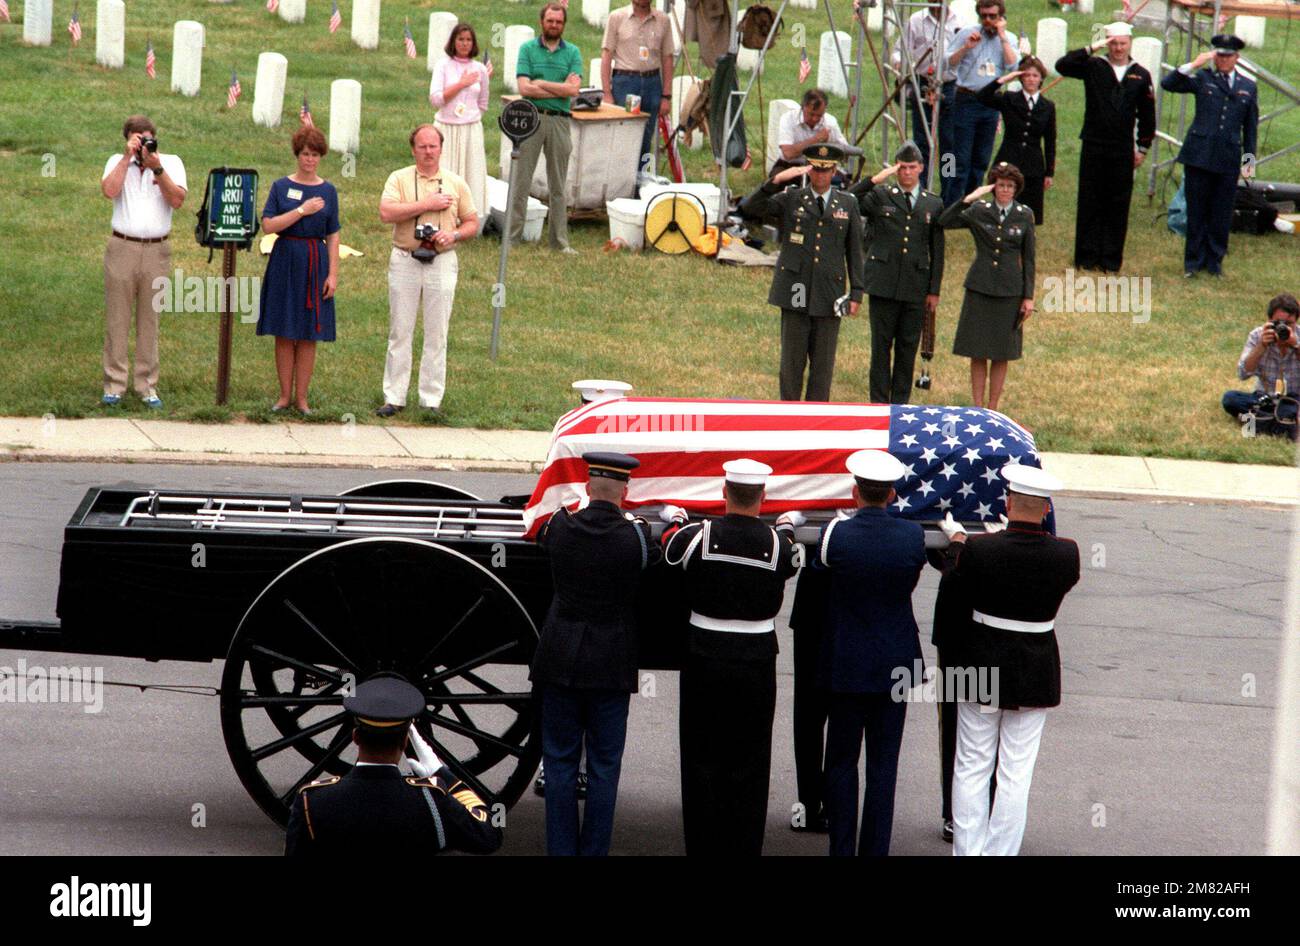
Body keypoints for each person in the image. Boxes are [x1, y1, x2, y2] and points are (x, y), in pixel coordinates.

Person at [935, 464, 1081, 856]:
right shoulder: (1067, 554)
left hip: (978, 664)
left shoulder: (981, 550)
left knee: (971, 766)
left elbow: (960, 579)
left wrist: (961, 541)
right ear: (1047, 509)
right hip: (1034, 668)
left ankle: (968, 851)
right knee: (1016, 773)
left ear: (1008, 501)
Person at [660, 459, 802, 856]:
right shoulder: (779, 545)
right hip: (756, 662)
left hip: (704, 657)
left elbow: (670, 546)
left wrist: (675, 516)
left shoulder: (698, 536)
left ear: (724, 493)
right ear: (764, 497)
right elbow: (791, 555)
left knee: (701, 757)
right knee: (750, 762)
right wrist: (788, 525)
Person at [531, 452, 660, 856]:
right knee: (604, 768)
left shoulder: (561, 527)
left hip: (559, 661)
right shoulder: (635, 538)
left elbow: (540, 533)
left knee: (559, 764)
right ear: (626, 491)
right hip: (610, 668)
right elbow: (653, 556)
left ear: (587, 489)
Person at [816, 450, 926, 856]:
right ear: (893, 494)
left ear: (853, 491)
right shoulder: (913, 537)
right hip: (894, 666)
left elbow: (821, 565)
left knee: (841, 762)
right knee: (884, 766)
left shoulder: (836, 535)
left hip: (847, 663)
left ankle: (841, 850)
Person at [285, 674, 503, 856]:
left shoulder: (311, 802)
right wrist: (444, 776)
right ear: (405, 741)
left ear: (355, 737)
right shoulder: (432, 800)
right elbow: (490, 834)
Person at [740, 143, 865, 402]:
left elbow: (854, 250)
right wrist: (775, 181)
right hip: (795, 290)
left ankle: (816, 426)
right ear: (808, 170)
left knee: (822, 369)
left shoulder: (847, 203)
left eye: (826, 170)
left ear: (834, 171)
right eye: (816, 170)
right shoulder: (792, 198)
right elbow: (750, 209)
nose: (820, 176)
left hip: (829, 292)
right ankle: (788, 421)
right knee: (791, 367)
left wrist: (857, 292)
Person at [376, 125, 479, 420]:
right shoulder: (399, 178)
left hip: (442, 260)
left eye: (433, 146)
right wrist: (427, 204)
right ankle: (394, 396)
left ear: (441, 149)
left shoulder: (456, 183)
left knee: (437, 331)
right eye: (422, 146)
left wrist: (454, 236)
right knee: (400, 329)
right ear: (413, 149)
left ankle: (431, 399)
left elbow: (472, 222)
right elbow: (386, 213)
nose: (428, 152)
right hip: (406, 257)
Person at [99, 115, 187, 409]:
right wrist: (127, 159)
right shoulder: (116, 161)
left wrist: (156, 168)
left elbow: (177, 200)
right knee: (117, 318)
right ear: (128, 139)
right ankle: (114, 384)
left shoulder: (171, 163)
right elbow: (109, 191)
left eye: (147, 138)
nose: (143, 144)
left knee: (151, 319)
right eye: (138, 139)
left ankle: (147, 385)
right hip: (122, 245)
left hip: (156, 249)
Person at [849, 140, 946, 404]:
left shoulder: (932, 204)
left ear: (921, 169)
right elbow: (849, 200)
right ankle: (879, 404)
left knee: (907, 348)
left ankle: (899, 405)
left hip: (915, 286)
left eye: (911, 167)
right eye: (901, 167)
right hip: (883, 282)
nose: (906, 173)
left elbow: (937, 251)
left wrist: (934, 290)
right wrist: (874, 180)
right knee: (881, 348)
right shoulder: (881, 196)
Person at [1054, 22, 1155, 273]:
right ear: (1107, 43)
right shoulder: (1094, 66)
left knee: (1117, 203)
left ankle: (1110, 259)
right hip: (1094, 143)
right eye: (1113, 43)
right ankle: (1086, 257)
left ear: (1130, 43)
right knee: (1090, 199)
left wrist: (1142, 148)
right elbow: (1062, 65)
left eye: (1122, 43)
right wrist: (1091, 47)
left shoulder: (1140, 74)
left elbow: (1148, 115)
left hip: (1122, 147)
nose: (1118, 48)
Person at [256, 126, 339, 416]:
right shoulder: (281, 187)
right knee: (283, 330)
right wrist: (302, 211)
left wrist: (333, 274)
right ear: (297, 154)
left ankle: (302, 398)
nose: (310, 160)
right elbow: (268, 225)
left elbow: (333, 234)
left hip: (315, 262)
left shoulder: (328, 190)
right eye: (305, 154)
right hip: (285, 258)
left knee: (308, 332)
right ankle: (283, 396)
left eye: (315, 155)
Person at [1161, 34, 1259, 278]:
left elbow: (1250, 128)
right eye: (1220, 56)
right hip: (1200, 155)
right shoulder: (1203, 78)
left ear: (1236, 58)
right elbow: (1168, 83)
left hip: (1227, 156)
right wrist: (1194, 64)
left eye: (1228, 56)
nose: (1223, 61)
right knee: (1196, 211)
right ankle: (1192, 263)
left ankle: (1214, 262)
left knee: (1221, 213)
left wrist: (1248, 163)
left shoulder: (1248, 86)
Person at [940, 162, 1035, 411]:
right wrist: (970, 198)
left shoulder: (1024, 215)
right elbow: (945, 221)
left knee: (1002, 352)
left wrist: (1028, 297)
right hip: (980, 286)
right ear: (993, 187)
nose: (1005, 190)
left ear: (1016, 189)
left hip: (1009, 290)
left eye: (1010, 186)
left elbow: (1029, 259)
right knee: (978, 349)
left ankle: (993, 407)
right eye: (1001, 185)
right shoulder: (980, 210)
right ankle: (978, 405)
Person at [510, 2, 583, 254]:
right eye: (550, 21)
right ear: (542, 22)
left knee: (558, 184)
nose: (554, 25)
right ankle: (512, 238)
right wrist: (557, 86)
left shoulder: (572, 52)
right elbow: (524, 88)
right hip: (531, 118)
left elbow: (573, 90)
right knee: (521, 180)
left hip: (560, 120)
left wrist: (540, 82)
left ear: (564, 24)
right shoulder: (527, 49)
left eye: (559, 22)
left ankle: (559, 242)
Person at [887, 1, 970, 190]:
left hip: (950, 86)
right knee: (922, 140)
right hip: (922, 83)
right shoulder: (916, 21)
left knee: (949, 143)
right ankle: (921, 187)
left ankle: (947, 189)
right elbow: (898, 52)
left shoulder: (961, 22)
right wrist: (902, 65)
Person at [945, 0, 1018, 207]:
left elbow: (1013, 66)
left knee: (981, 160)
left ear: (1000, 17)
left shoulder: (1008, 38)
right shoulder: (967, 33)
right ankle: (952, 205)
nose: (988, 21)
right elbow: (948, 61)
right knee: (958, 158)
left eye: (992, 16)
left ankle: (971, 205)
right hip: (966, 99)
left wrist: (1003, 37)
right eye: (984, 16)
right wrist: (966, 48)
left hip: (991, 103)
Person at [977, 55, 1056, 224]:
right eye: (1026, 75)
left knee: (1028, 215)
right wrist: (1003, 79)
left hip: (1033, 164)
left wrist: (1049, 172)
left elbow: (1050, 141)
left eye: (1035, 75)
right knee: (1003, 209)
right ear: (1020, 78)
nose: (1031, 79)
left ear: (1041, 78)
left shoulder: (1048, 106)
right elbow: (982, 96)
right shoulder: (1009, 99)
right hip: (1009, 158)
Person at [430, 23, 492, 236]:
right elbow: (436, 99)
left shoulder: (480, 69)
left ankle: (471, 223)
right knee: (446, 174)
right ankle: (444, 219)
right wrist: (461, 84)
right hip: (447, 128)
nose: (464, 44)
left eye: (468, 40)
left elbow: (483, 102)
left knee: (471, 172)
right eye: (460, 39)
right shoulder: (443, 66)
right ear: (453, 42)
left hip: (470, 129)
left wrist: (470, 117)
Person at [601, 0, 674, 180]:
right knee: (625, 134)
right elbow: (606, 55)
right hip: (626, 82)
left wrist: (666, 95)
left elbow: (667, 58)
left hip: (651, 83)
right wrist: (607, 92)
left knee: (646, 135)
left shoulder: (663, 20)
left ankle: (639, 183)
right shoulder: (617, 17)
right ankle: (619, 182)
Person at [1221, 293, 1300, 437]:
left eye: (1289, 324)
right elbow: (1242, 374)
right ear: (1269, 320)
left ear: (1296, 322)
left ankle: (1259, 421)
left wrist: (1295, 345)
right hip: (1264, 397)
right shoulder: (1257, 336)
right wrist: (1261, 346)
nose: (1283, 328)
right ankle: (1280, 422)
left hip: (1294, 398)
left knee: (1291, 408)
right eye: (1278, 323)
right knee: (1230, 398)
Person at [773, 88, 851, 177]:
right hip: (790, 166)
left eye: (819, 115)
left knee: (843, 183)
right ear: (803, 107)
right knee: (775, 182)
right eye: (811, 114)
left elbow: (845, 154)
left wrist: (829, 148)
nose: (815, 119)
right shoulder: (788, 119)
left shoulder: (830, 122)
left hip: (821, 167)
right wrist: (816, 139)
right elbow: (788, 154)